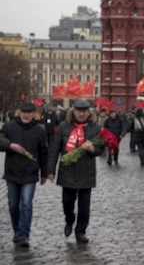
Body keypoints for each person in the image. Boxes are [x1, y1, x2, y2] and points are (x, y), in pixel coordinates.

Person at [47, 99, 104, 244]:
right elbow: (55, 149)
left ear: (88, 112)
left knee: (84, 205)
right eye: (79, 111)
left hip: (86, 171)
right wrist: (50, 170)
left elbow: (101, 149)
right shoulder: (63, 127)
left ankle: (80, 232)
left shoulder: (95, 127)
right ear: (74, 111)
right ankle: (69, 219)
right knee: (67, 201)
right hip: (67, 170)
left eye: (84, 111)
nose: (81, 114)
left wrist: (93, 149)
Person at [0, 102, 49, 247]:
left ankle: (23, 235)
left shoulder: (40, 130)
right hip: (12, 172)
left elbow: (43, 153)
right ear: (19, 112)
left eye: (29, 112)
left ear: (34, 113)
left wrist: (44, 173)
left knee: (26, 203)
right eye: (24, 112)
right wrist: (10, 145)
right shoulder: (9, 127)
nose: (26, 114)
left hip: (30, 172)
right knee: (13, 205)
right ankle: (16, 230)